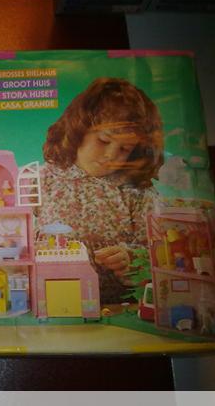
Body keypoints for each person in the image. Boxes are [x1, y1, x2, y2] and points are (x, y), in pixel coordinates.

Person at [37, 77, 163, 303]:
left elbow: (161, 252)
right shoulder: (42, 180)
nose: (111, 155)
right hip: (55, 301)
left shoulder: (136, 190)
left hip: (120, 307)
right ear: (78, 130)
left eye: (125, 149)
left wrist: (133, 259)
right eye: (104, 141)